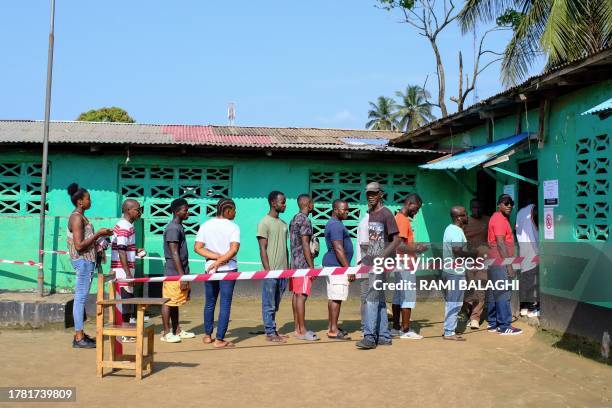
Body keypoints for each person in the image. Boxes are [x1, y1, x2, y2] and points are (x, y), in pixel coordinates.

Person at [66, 183, 113, 348]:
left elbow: (86, 240)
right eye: (88, 198)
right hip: (83, 261)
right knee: (80, 299)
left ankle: (79, 334)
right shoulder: (76, 218)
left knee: (81, 298)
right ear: (80, 202)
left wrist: (102, 239)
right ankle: (79, 337)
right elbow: (79, 245)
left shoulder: (81, 217)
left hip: (87, 261)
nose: (90, 201)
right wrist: (98, 234)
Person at [356, 182, 401, 349]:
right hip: (372, 263)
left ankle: (369, 336)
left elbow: (397, 239)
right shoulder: (371, 214)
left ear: (381, 194)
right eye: (368, 194)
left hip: (381, 264)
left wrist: (382, 256)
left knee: (371, 299)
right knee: (379, 299)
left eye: (374, 193)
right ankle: (384, 336)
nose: (370, 196)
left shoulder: (386, 214)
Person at [194, 198, 240, 348]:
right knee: (225, 303)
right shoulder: (233, 227)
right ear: (227, 211)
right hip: (228, 270)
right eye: (234, 210)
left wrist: (215, 260)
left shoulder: (206, 225)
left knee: (210, 302)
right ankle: (219, 339)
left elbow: (198, 248)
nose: (235, 213)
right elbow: (233, 250)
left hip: (210, 269)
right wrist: (220, 260)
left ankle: (207, 336)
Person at [442, 206, 483, 341]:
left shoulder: (450, 228)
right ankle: (449, 332)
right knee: (455, 303)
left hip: (449, 270)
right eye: (465, 215)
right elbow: (457, 251)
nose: (467, 217)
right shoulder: (456, 231)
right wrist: (473, 254)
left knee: (451, 302)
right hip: (455, 272)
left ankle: (448, 329)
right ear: (459, 218)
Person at [391, 193, 427, 340]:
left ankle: (396, 327)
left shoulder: (398, 218)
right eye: (416, 208)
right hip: (405, 263)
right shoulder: (403, 220)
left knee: (399, 296)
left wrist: (414, 246)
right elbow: (399, 245)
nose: (416, 211)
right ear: (410, 203)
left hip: (400, 263)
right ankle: (405, 330)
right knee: (408, 296)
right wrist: (417, 249)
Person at [487, 194, 522, 335]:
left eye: (511, 203)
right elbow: (501, 243)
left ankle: (493, 323)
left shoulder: (498, 218)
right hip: (500, 262)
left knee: (494, 292)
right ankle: (504, 326)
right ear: (498, 204)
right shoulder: (500, 220)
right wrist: (509, 265)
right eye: (506, 203)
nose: (509, 205)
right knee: (503, 293)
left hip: (494, 261)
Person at [161, 198, 196, 343]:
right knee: (169, 302)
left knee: (175, 302)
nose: (188, 212)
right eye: (185, 210)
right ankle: (166, 333)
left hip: (180, 272)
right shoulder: (173, 229)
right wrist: (182, 277)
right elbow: (174, 253)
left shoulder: (179, 227)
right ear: (176, 212)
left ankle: (176, 330)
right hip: (173, 273)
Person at [257, 191, 290, 343]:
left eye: (284, 202)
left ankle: (273, 329)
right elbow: (262, 248)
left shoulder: (283, 224)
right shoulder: (264, 222)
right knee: (269, 303)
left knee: (275, 303)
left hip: (284, 271)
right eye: (282, 202)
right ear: (273, 203)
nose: (285, 205)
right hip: (271, 272)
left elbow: (286, 248)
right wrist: (267, 270)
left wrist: (288, 269)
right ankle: (270, 332)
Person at [111, 199, 144, 343]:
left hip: (124, 268)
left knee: (127, 300)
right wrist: (128, 273)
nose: (139, 212)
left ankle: (125, 330)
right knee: (125, 301)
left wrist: (135, 251)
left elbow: (125, 247)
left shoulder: (127, 226)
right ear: (128, 210)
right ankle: (124, 333)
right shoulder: (124, 226)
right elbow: (121, 250)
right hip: (122, 270)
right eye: (137, 209)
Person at [323, 199, 354, 341]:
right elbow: (338, 248)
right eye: (344, 209)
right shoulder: (335, 225)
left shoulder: (336, 223)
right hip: (337, 266)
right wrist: (348, 269)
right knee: (337, 298)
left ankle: (332, 327)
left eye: (347, 209)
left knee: (333, 297)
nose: (347, 211)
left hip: (333, 265)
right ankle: (333, 330)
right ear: (335, 210)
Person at [288, 194, 319, 341]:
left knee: (296, 295)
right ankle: (302, 330)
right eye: (313, 203)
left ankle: (297, 328)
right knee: (301, 296)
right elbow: (306, 244)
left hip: (294, 264)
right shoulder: (305, 220)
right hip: (303, 264)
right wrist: (311, 267)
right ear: (309, 204)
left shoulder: (294, 219)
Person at [462, 198, 490, 329]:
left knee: (480, 287)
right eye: (474, 207)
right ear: (470, 208)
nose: (477, 210)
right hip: (468, 260)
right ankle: (466, 311)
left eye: (479, 207)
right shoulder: (465, 221)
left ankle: (475, 318)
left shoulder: (488, 220)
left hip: (483, 260)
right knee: (468, 288)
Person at [516, 201, 539, 317]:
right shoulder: (534, 210)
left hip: (523, 249)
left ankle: (524, 308)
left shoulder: (520, 212)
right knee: (532, 280)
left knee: (524, 279)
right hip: (533, 250)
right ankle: (531, 309)